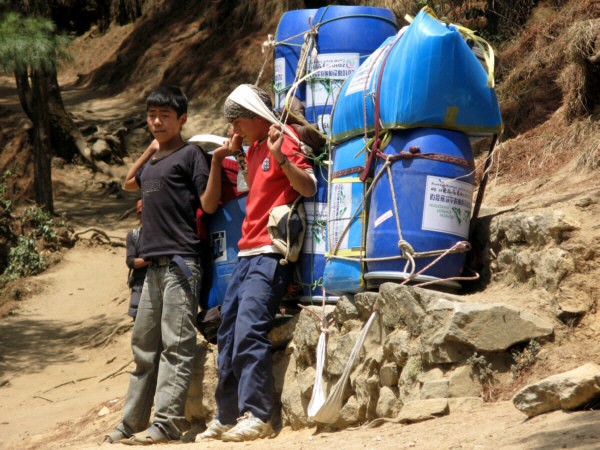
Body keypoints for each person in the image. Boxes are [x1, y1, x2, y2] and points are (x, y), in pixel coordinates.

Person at [197, 84, 316, 443]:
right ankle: (227, 414)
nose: (233, 130)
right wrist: (226, 154)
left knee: (249, 328)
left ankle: (260, 415)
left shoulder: (284, 140)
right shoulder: (251, 150)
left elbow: (307, 187)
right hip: (246, 253)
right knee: (228, 333)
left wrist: (280, 156)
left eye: (236, 122)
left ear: (253, 118)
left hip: (270, 252)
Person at [104, 85, 222, 445]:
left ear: (182, 119)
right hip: (150, 269)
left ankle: (167, 423)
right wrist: (151, 149)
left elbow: (210, 203)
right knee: (143, 349)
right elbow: (128, 183)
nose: (156, 121)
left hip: (181, 263)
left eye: (164, 116)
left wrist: (215, 161)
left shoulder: (191, 156)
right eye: (151, 115)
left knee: (176, 346)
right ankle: (131, 423)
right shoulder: (154, 163)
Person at [125, 199, 149, 320]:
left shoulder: (161, 233)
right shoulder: (133, 235)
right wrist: (152, 259)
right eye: (141, 213)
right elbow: (131, 262)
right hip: (139, 284)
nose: (144, 215)